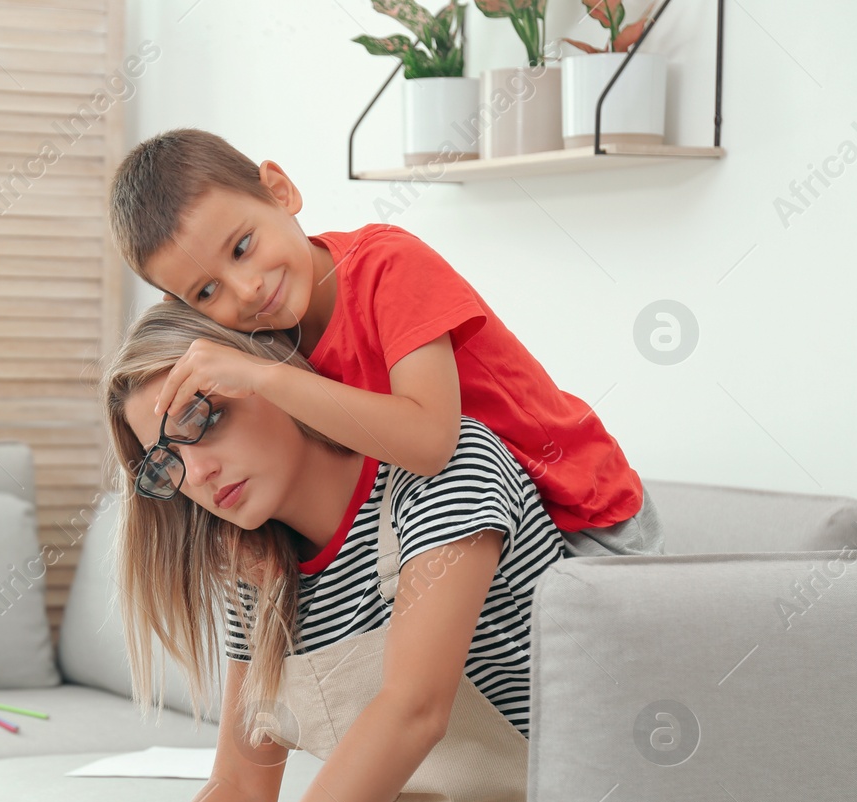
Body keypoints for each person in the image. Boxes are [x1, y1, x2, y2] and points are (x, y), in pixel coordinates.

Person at [2, 301, 569, 802]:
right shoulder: (258, 564)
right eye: (167, 461)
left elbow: (414, 708)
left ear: (273, 375)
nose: (197, 472)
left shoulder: (442, 475)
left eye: (203, 419)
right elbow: (241, 787)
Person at [108, 127, 665, 558]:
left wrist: (265, 378)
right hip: (480, 537)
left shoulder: (387, 267)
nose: (246, 288)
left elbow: (430, 443)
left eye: (243, 246)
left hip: (584, 521)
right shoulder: (262, 334)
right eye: (206, 291)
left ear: (280, 191)